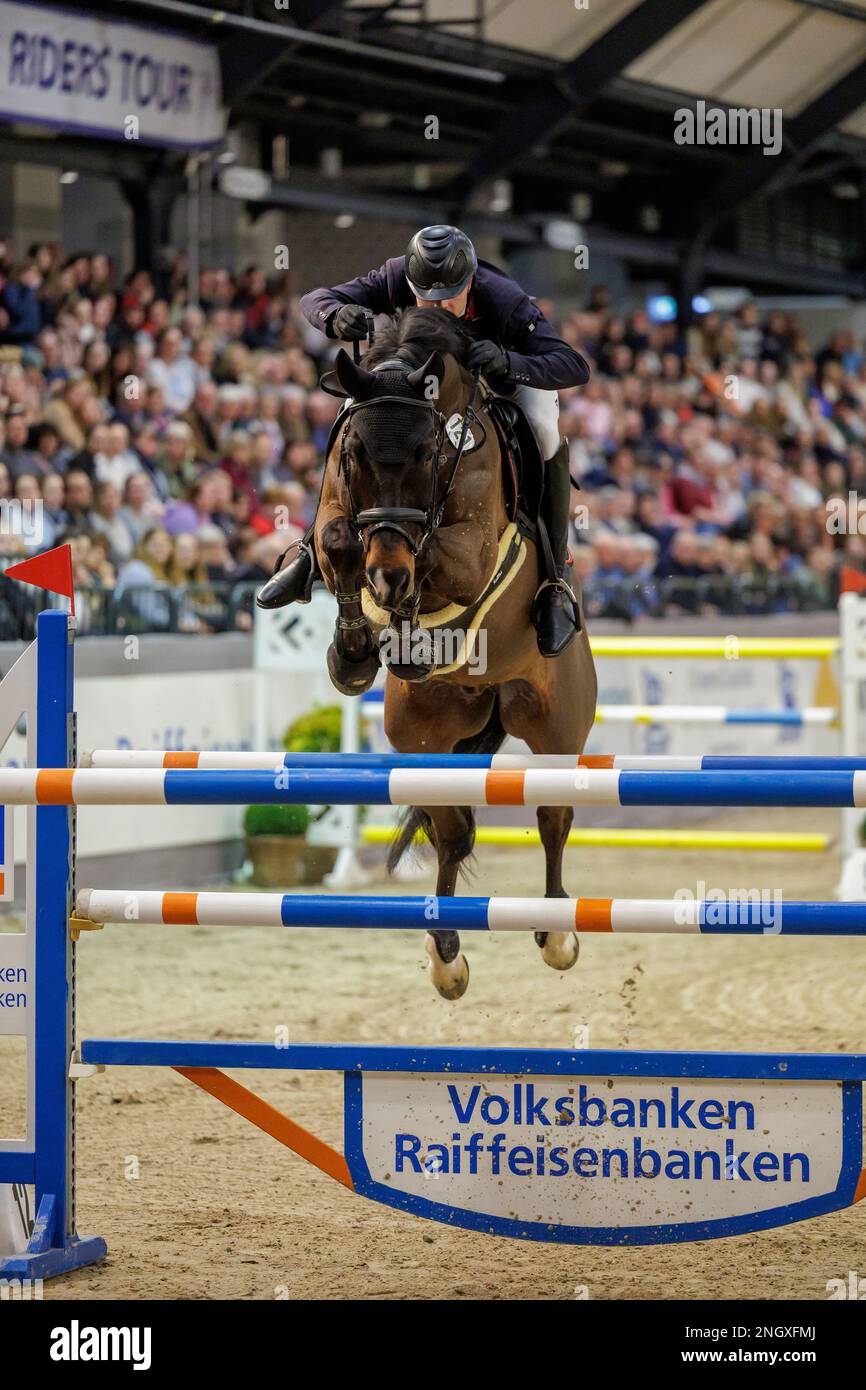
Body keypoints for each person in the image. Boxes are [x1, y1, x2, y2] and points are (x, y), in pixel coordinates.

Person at [257, 224, 590, 656]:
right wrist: (334, 315)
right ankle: (308, 550)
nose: (435, 305)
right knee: (351, 414)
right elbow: (314, 299)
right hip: (416, 387)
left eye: (449, 294)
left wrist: (508, 361)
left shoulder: (502, 297)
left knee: (544, 426)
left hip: (496, 380)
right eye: (425, 296)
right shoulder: (396, 276)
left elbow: (572, 364)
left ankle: (554, 578)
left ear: (470, 281)